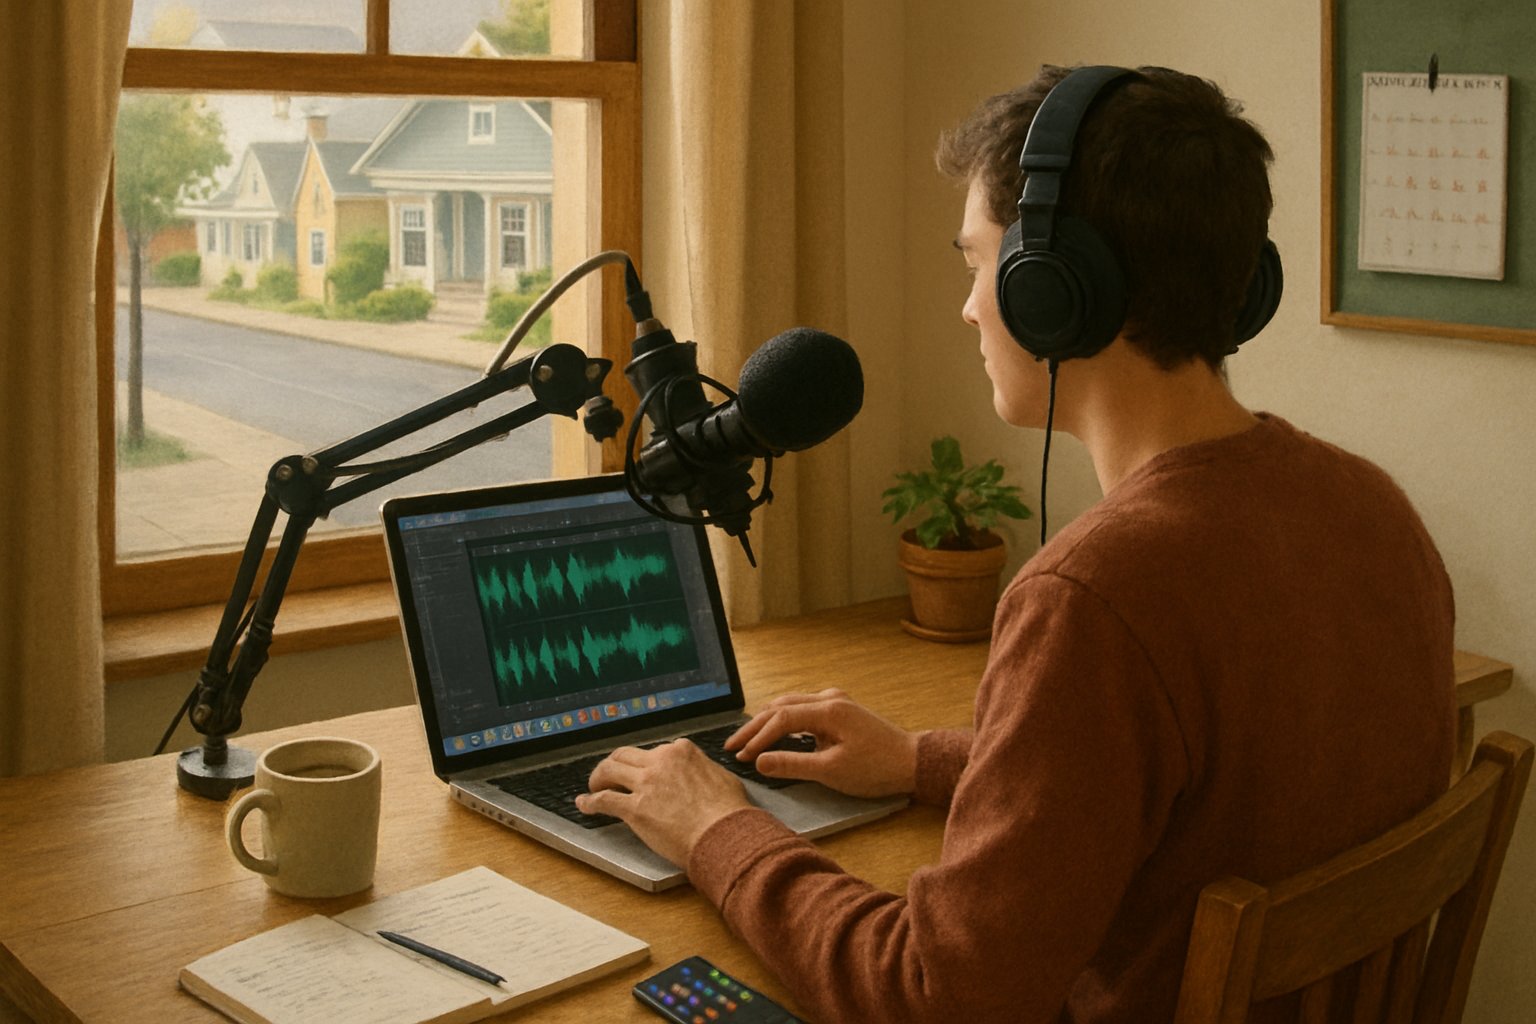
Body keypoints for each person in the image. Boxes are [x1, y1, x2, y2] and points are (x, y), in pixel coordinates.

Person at [577, 64, 1455, 1022]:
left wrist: (722, 832)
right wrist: (925, 760)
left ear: (1052, 289)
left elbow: (939, 998)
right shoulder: (1370, 508)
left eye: (976, 262)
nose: (968, 308)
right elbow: (1188, 798)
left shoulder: (1096, 597)